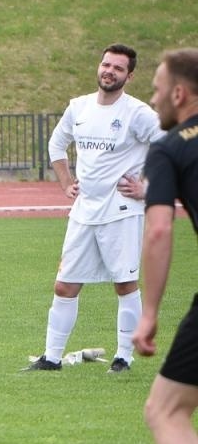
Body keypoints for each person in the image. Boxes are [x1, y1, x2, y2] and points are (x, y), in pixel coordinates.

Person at [26, 44, 162, 372]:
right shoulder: (79, 107)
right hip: (85, 211)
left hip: (122, 211)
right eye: (106, 65)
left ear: (129, 76)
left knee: (125, 284)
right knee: (65, 285)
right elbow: (57, 144)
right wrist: (65, 181)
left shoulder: (138, 113)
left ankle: (123, 358)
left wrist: (148, 187)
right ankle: (51, 359)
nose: (109, 71)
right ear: (98, 67)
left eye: (117, 68)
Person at [132, 49, 198, 444]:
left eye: (156, 88)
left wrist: (148, 312)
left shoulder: (169, 148)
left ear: (180, 94)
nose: (152, 98)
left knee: (166, 410)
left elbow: (158, 230)